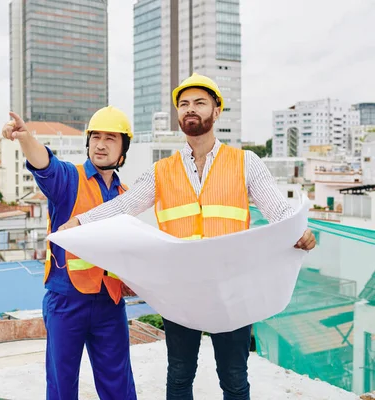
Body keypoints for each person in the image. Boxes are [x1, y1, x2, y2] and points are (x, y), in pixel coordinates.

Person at [58, 73, 316, 400]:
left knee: (235, 379)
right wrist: (79, 223)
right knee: (179, 377)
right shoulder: (161, 170)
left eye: (199, 103)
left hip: (231, 292)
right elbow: (124, 206)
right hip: (181, 293)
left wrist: (298, 230)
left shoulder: (244, 162)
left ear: (217, 110)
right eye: (183, 104)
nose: (190, 109)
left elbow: (278, 207)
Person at [1, 107, 137, 400]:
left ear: (123, 149)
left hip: (110, 304)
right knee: (62, 386)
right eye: (96, 137)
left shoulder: (126, 195)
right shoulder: (69, 178)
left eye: (110, 138)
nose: (100, 144)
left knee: (119, 386)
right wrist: (26, 138)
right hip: (66, 301)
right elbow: (44, 164)